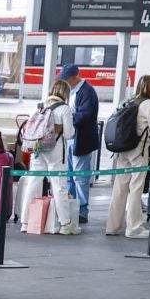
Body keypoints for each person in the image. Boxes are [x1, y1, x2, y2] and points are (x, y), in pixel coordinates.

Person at [106, 73, 150, 240]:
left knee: (120, 187)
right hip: (139, 150)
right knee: (136, 187)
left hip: (123, 148)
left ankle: (113, 225)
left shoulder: (130, 101)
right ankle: (134, 227)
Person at [22, 79, 80, 236]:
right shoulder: (64, 109)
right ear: (65, 93)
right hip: (55, 149)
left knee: (33, 183)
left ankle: (26, 222)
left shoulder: (40, 106)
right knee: (59, 185)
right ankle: (65, 224)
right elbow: (69, 134)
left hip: (37, 148)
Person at [67, 65, 101, 226]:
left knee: (80, 177)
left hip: (81, 140)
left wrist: (67, 118)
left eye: (67, 79)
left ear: (74, 77)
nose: (65, 82)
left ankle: (81, 210)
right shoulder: (76, 91)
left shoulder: (87, 92)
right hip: (72, 139)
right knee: (70, 176)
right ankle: (72, 207)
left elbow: (84, 116)